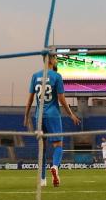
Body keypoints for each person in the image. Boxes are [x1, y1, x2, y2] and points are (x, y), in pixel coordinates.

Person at [23, 52, 80, 187]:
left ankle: (42, 180)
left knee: (42, 149)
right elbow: (61, 99)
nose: (56, 61)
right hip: (53, 115)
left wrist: (26, 116)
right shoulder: (56, 76)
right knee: (58, 146)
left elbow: (30, 99)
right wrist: (71, 114)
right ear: (50, 60)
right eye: (55, 59)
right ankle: (55, 167)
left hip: (39, 116)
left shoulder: (35, 76)